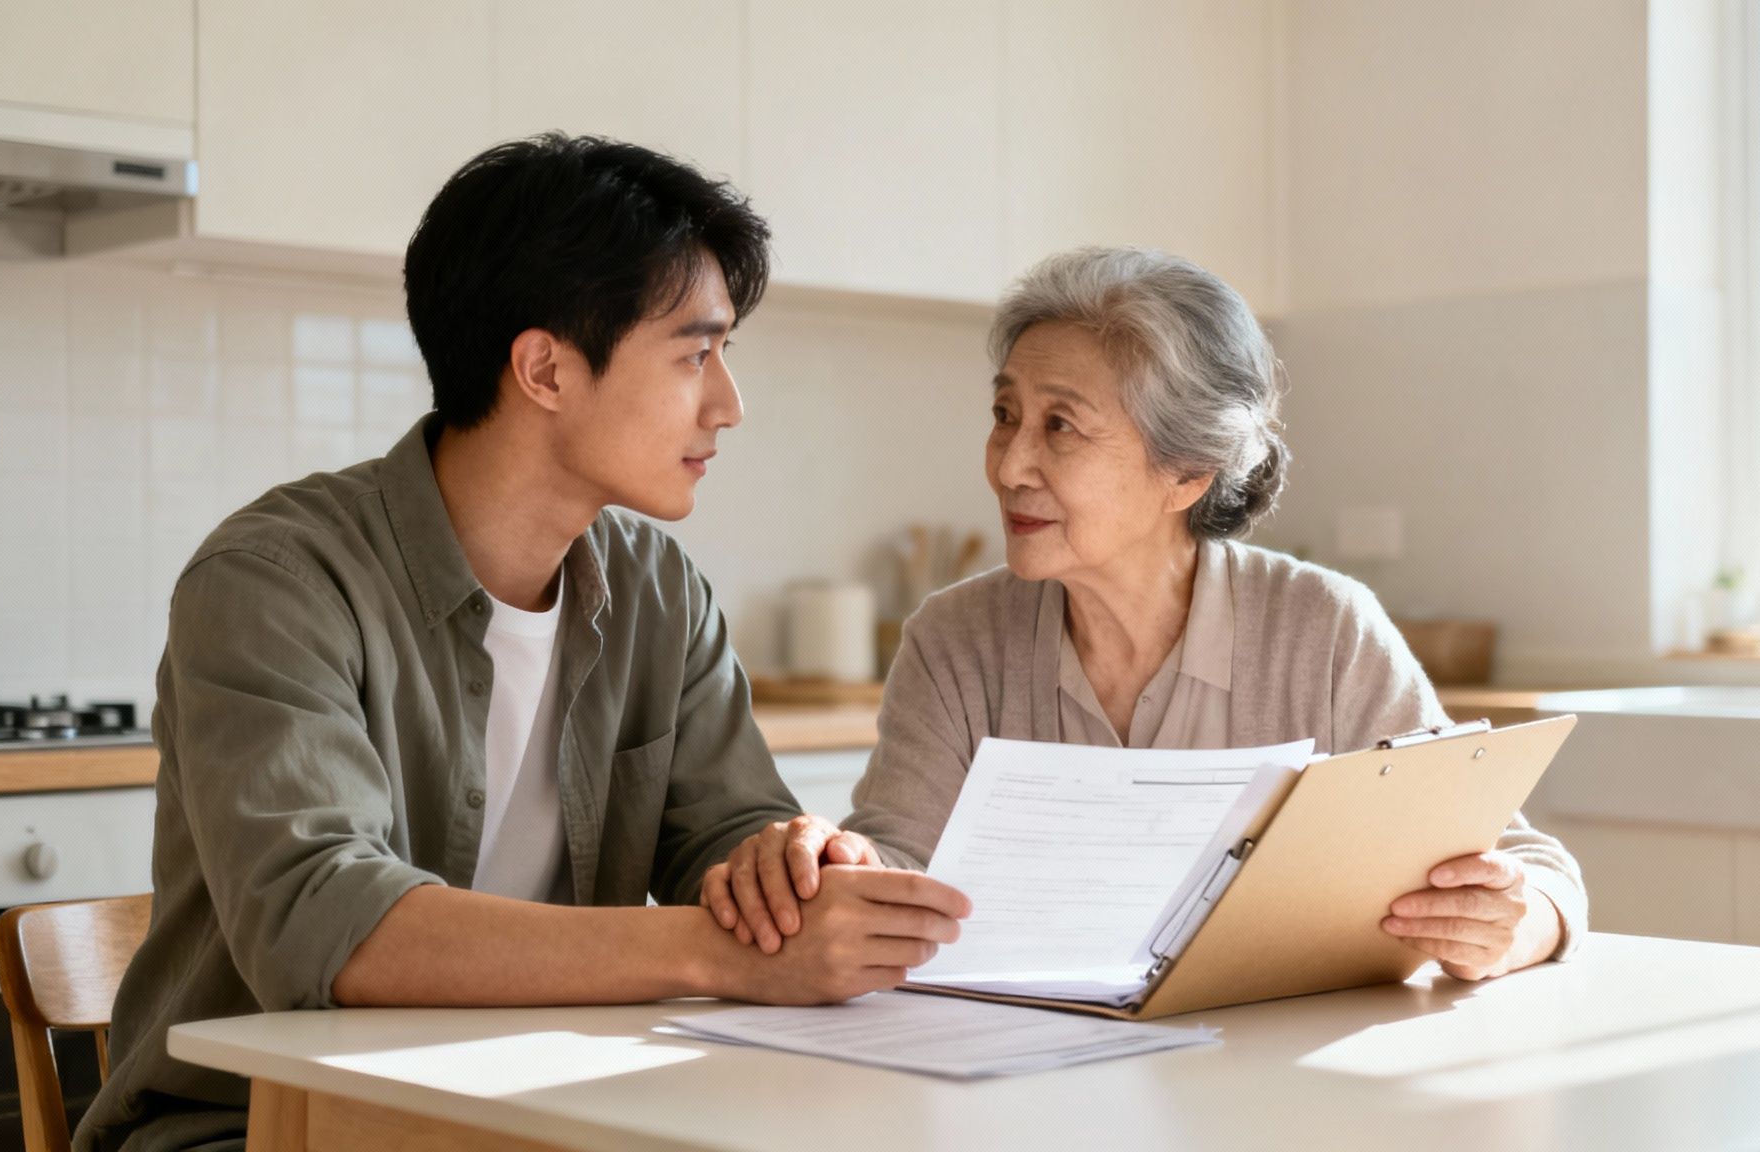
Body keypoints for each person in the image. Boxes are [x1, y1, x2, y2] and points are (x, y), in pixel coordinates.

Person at [78, 134, 967, 1152]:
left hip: (545, 1105)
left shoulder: (658, 587)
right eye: (693, 352)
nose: (727, 404)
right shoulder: (275, 579)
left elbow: (730, 839)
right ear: (544, 368)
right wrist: (727, 955)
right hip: (258, 1125)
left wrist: (789, 868)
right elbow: (323, 924)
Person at [703, 246, 1584, 983]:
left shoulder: (1323, 628)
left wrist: (1520, 921)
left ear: (1187, 473)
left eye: (1061, 427)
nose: (1010, 464)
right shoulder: (955, 638)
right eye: (1005, 415)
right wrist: (836, 865)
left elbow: (1529, 868)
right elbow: (900, 864)